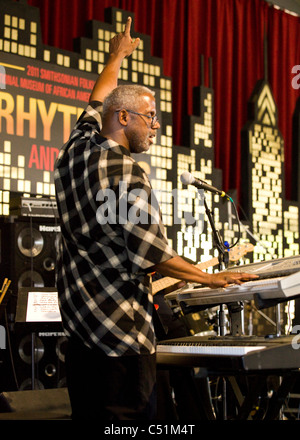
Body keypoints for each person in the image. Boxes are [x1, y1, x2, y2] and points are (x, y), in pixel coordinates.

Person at [54, 17, 258, 421]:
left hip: (80, 339)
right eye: (150, 118)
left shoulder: (76, 148)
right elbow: (152, 254)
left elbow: (100, 97)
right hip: (121, 343)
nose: (157, 128)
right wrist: (212, 279)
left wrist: (115, 57)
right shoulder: (126, 174)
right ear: (124, 119)